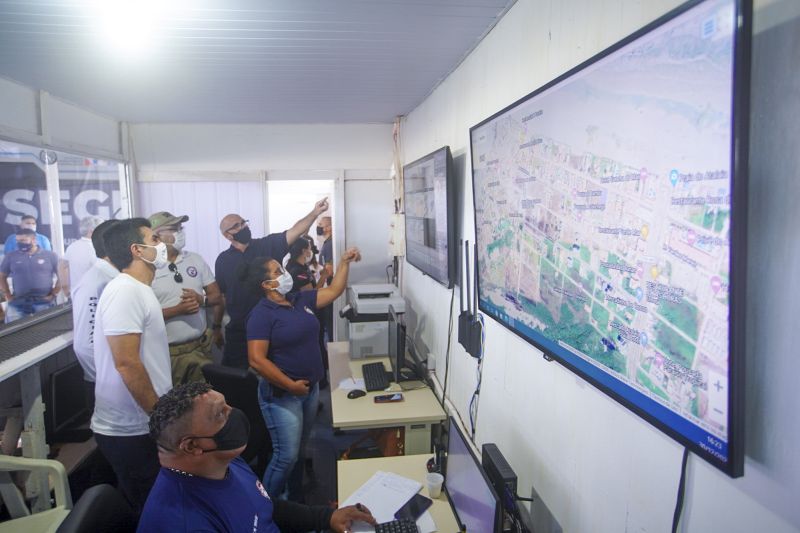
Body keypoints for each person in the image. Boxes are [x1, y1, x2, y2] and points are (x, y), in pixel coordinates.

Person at [138, 382, 376, 532]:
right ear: (192, 446)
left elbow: (262, 506)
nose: (233, 413)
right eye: (220, 414)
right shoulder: (184, 522)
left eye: (226, 405)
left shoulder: (223, 460)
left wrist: (326, 517)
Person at [244, 246, 361, 500]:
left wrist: (344, 263)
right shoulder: (261, 315)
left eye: (282, 267)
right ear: (267, 283)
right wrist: (289, 385)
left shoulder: (298, 300)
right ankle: (267, 507)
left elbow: (333, 291)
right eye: (278, 271)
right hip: (282, 395)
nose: (285, 273)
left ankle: (294, 501)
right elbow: (256, 359)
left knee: (298, 450)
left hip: (309, 389)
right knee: (285, 457)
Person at [91, 218, 173, 513]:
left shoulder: (141, 289)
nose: (162, 244)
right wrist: (160, 417)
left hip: (144, 423)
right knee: (151, 509)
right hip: (131, 428)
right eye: (155, 239)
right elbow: (127, 363)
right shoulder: (124, 290)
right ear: (137, 250)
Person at [214, 198, 329, 369]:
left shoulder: (266, 245)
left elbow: (295, 231)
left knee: (276, 377)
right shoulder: (223, 260)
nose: (243, 227)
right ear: (227, 235)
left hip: (272, 327)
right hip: (239, 332)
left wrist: (314, 213)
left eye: (243, 222)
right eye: (236, 226)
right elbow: (222, 296)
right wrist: (216, 326)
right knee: (237, 382)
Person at [148, 211, 224, 385]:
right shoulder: (147, 267)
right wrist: (177, 311)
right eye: (174, 228)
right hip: (166, 354)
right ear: (156, 236)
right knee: (175, 408)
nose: (180, 232)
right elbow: (142, 317)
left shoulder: (195, 259)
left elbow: (216, 296)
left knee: (206, 403)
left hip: (201, 348)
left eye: (180, 227)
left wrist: (201, 300)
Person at [70, 219, 119, 401]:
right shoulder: (95, 282)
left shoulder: (116, 278)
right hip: (107, 385)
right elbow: (84, 345)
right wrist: (108, 377)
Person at [0, 228, 61, 322]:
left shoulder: (51, 255)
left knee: (45, 334)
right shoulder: (11, 256)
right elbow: (2, 276)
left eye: (23, 240)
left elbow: (62, 276)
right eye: (17, 241)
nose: (19, 243)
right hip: (18, 303)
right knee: (14, 334)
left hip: (44, 302)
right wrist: (7, 295)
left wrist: (54, 293)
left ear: (34, 240)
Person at [63, 215, 105, 297]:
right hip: (94, 295)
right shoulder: (95, 248)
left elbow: (62, 266)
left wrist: (66, 289)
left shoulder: (72, 246)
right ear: (91, 231)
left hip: (76, 294)